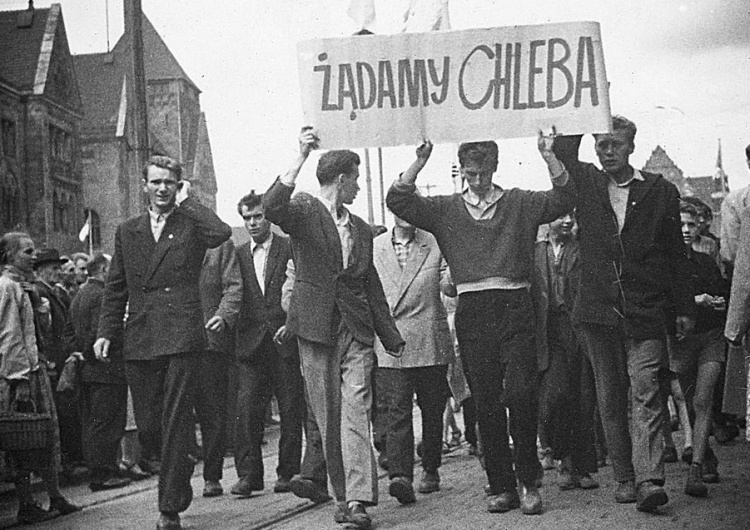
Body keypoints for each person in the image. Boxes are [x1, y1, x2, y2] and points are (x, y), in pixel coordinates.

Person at [386, 134, 575, 516]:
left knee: (522, 394)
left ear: (494, 168)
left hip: (515, 304)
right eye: (470, 174)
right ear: (463, 172)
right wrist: (419, 161)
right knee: (485, 402)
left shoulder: (520, 202)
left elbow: (564, 198)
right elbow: (398, 200)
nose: (476, 181)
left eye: (483, 173)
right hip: (473, 308)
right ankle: (502, 485)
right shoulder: (446, 209)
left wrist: (548, 156)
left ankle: (528, 480)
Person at [551, 115, 695, 513]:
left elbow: (675, 254)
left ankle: (650, 479)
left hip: (646, 308)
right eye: (601, 144)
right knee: (610, 396)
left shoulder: (660, 191)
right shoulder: (587, 184)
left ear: (631, 146)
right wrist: (584, 110)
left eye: (615, 143)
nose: (607, 151)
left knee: (646, 390)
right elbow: (563, 150)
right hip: (597, 310)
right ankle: (625, 478)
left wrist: (683, 307)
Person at [263, 128, 404, 530]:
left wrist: (389, 336)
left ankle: (359, 500)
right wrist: (301, 153)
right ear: (341, 179)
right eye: (356, 179)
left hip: (355, 330)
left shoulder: (359, 227)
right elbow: (273, 206)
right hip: (316, 329)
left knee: (356, 410)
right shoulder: (305, 210)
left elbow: (370, 283)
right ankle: (343, 498)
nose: (359, 187)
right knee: (329, 417)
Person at [94, 155, 232, 530]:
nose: (161, 189)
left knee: (173, 420)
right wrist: (106, 331)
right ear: (144, 186)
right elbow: (116, 286)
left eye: (169, 183)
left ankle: (168, 508)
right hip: (140, 336)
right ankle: (183, 460)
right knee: (151, 426)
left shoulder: (190, 223)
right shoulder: (128, 230)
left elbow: (221, 233)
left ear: (178, 186)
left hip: (181, 335)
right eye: (155, 182)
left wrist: (190, 202)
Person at [372, 214, 455, 504]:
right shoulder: (376, 246)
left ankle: (431, 467)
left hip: (428, 338)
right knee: (395, 410)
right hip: (390, 339)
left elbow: (448, 282)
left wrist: (452, 281)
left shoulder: (434, 241)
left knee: (433, 409)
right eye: (398, 208)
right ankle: (400, 476)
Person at [0, 232, 80, 524]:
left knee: (45, 438)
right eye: (27, 252)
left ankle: (54, 495)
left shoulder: (25, 287)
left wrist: (37, 302)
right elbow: (10, 335)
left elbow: (39, 330)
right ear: (9, 256)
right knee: (23, 439)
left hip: (36, 371)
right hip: (20, 375)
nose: (33, 256)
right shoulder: (6, 287)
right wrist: (19, 378)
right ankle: (26, 503)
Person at [231, 191, 304, 497]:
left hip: (283, 340)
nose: (252, 223)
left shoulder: (289, 247)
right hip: (251, 344)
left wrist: (292, 325)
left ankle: (288, 472)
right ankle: (249, 475)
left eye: (258, 216)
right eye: (247, 218)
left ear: (268, 217)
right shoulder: (239, 254)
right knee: (247, 409)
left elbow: (300, 288)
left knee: (290, 408)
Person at [531, 211, 599, 491]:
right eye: (561, 215)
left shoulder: (582, 250)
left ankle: (579, 467)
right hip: (548, 332)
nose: (569, 220)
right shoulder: (535, 251)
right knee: (558, 394)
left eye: (573, 214)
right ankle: (560, 456)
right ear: (548, 220)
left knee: (583, 398)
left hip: (579, 329)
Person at [675, 202, 729, 497]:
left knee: (702, 399)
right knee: (691, 399)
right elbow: (665, 301)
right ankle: (705, 452)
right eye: (680, 224)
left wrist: (718, 301)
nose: (685, 230)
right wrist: (697, 301)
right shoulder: (666, 265)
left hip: (709, 336)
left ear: (699, 227)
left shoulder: (706, 260)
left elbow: (721, 290)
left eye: (691, 225)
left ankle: (695, 468)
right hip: (683, 340)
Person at [68, 252, 131, 492]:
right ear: (104, 270)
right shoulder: (104, 296)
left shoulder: (79, 295)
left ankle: (101, 471)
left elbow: (69, 333)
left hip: (88, 370)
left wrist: (79, 354)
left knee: (94, 423)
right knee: (108, 423)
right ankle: (104, 473)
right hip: (107, 368)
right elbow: (100, 332)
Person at [196, 238, 243, 497]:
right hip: (173, 343)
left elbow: (233, 286)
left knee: (212, 412)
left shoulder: (219, 247)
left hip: (210, 342)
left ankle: (211, 476)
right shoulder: (162, 242)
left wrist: (224, 315)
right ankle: (176, 477)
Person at [34, 248, 84, 477]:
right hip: (54, 362)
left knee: (67, 412)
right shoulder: (40, 291)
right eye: (54, 269)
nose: (59, 272)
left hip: (62, 360)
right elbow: (46, 331)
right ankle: (64, 463)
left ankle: (68, 461)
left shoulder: (52, 292)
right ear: (42, 270)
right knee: (61, 413)